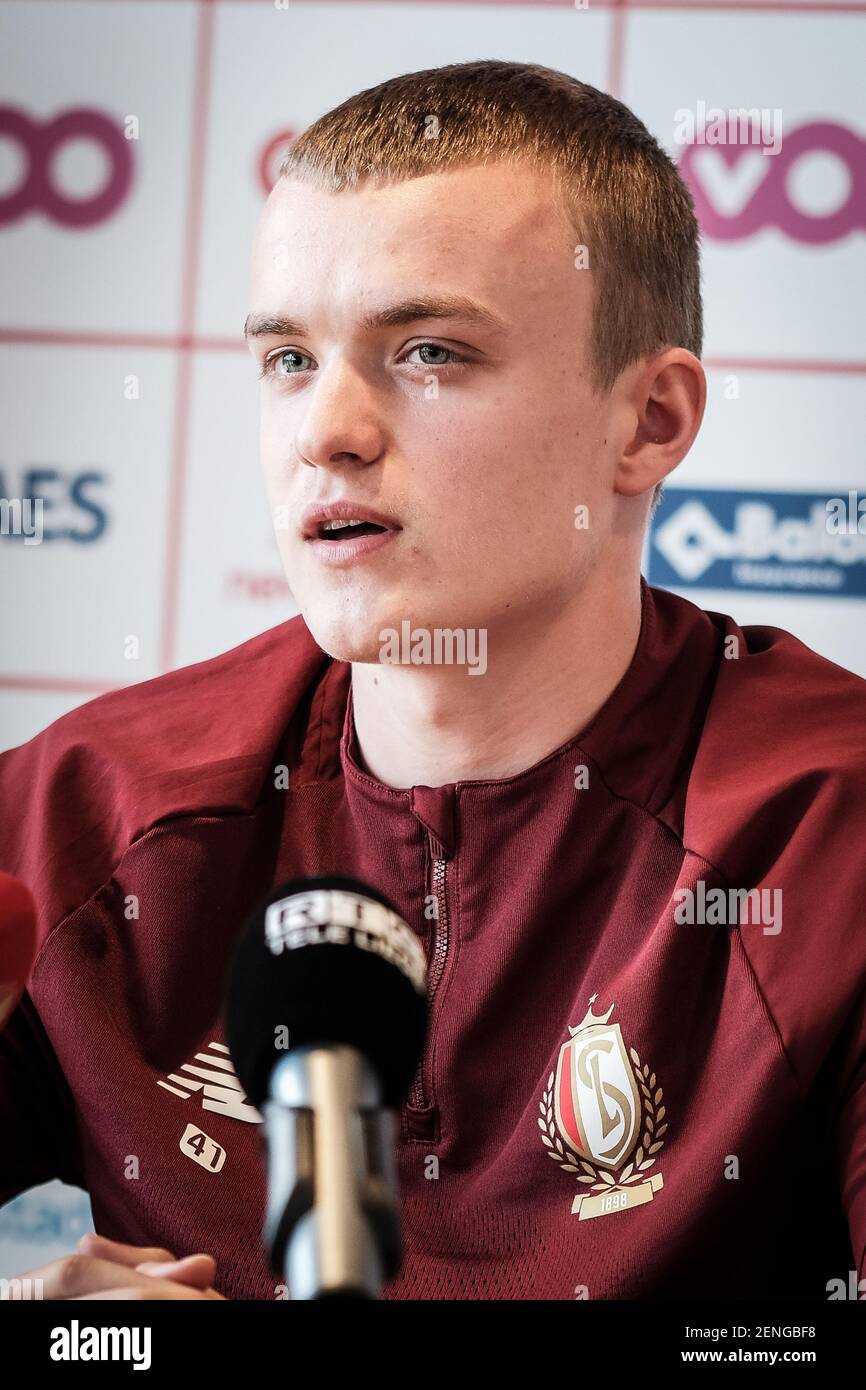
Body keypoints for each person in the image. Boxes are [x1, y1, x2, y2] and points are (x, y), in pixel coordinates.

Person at [1, 60, 864, 1302]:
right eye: (289, 359)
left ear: (649, 423)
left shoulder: (826, 839)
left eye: (426, 350)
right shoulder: (79, 812)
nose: (326, 431)